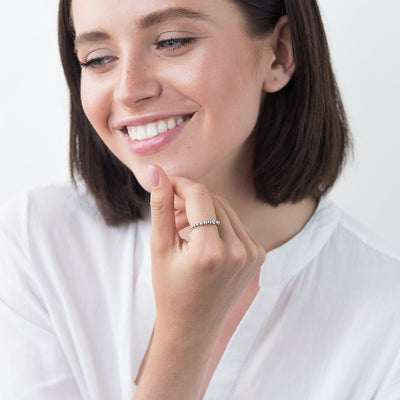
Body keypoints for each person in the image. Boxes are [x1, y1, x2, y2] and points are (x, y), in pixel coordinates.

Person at [1, 0, 399, 399]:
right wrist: (184, 336)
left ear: (279, 54)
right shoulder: (37, 242)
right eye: (99, 59)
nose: (129, 90)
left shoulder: (387, 315)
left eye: (172, 42)